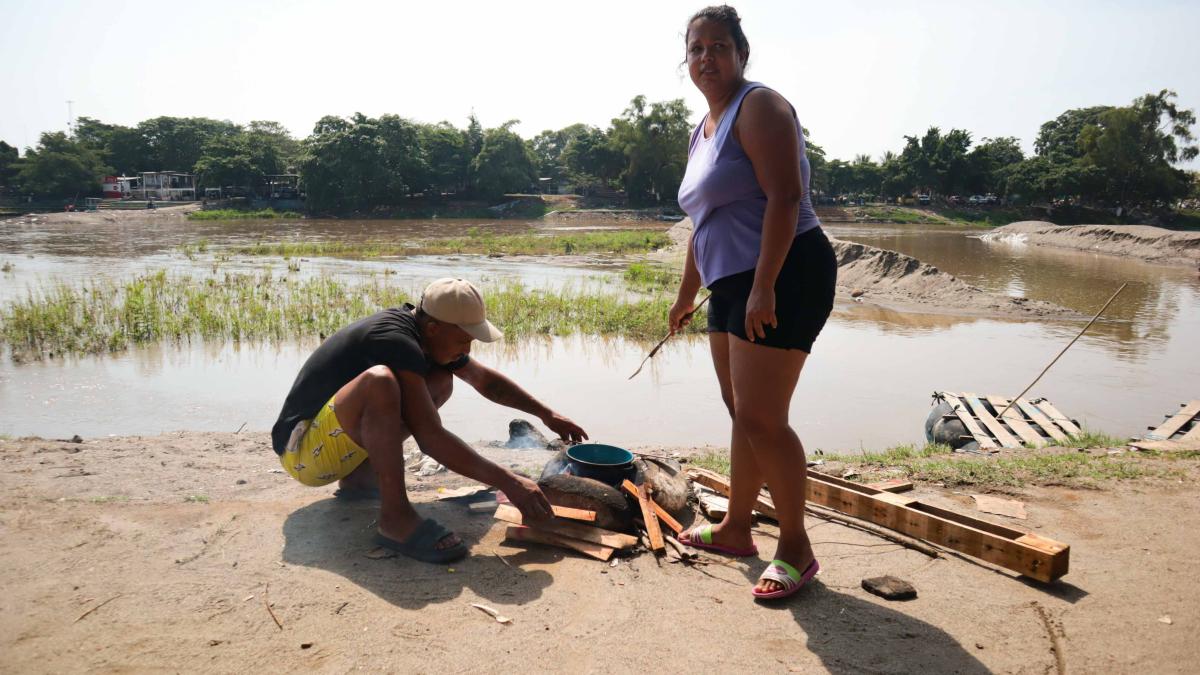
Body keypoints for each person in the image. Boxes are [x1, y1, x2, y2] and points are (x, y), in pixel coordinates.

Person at [671, 5, 838, 601]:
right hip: (730, 280)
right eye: (696, 48)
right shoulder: (704, 128)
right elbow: (702, 219)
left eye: (718, 46)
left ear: (742, 54)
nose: (706, 58)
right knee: (740, 409)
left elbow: (786, 195)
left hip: (786, 270)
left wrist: (765, 282)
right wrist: (688, 293)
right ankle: (736, 528)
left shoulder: (760, 106)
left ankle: (796, 547)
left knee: (764, 418)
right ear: (685, 60)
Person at [271, 278, 588, 563]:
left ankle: (359, 480)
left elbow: (484, 381)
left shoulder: (425, 335)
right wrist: (509, 481)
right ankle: (395, 519)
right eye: (464, 340)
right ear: (434, 327)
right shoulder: (395, 340)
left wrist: (546, 414)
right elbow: (429, 437)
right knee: (379, 382)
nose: (467, 349)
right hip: (302, 455)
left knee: (439, 380)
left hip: (334, 445)